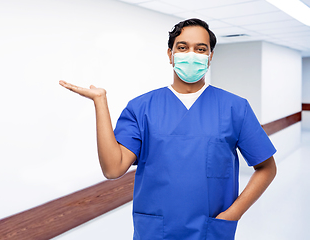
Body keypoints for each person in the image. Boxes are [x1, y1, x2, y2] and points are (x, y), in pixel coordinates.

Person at [59, 18, 276, 240]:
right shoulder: (141, 107)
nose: (191, 54)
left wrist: (233, 214)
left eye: (201, 49)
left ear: (210, 57)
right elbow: (113, 169)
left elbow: (267, 167)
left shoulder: (235, 107)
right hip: (155, 231)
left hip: (211, 230)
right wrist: (100, 102)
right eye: (182, 47)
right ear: (170, 54)